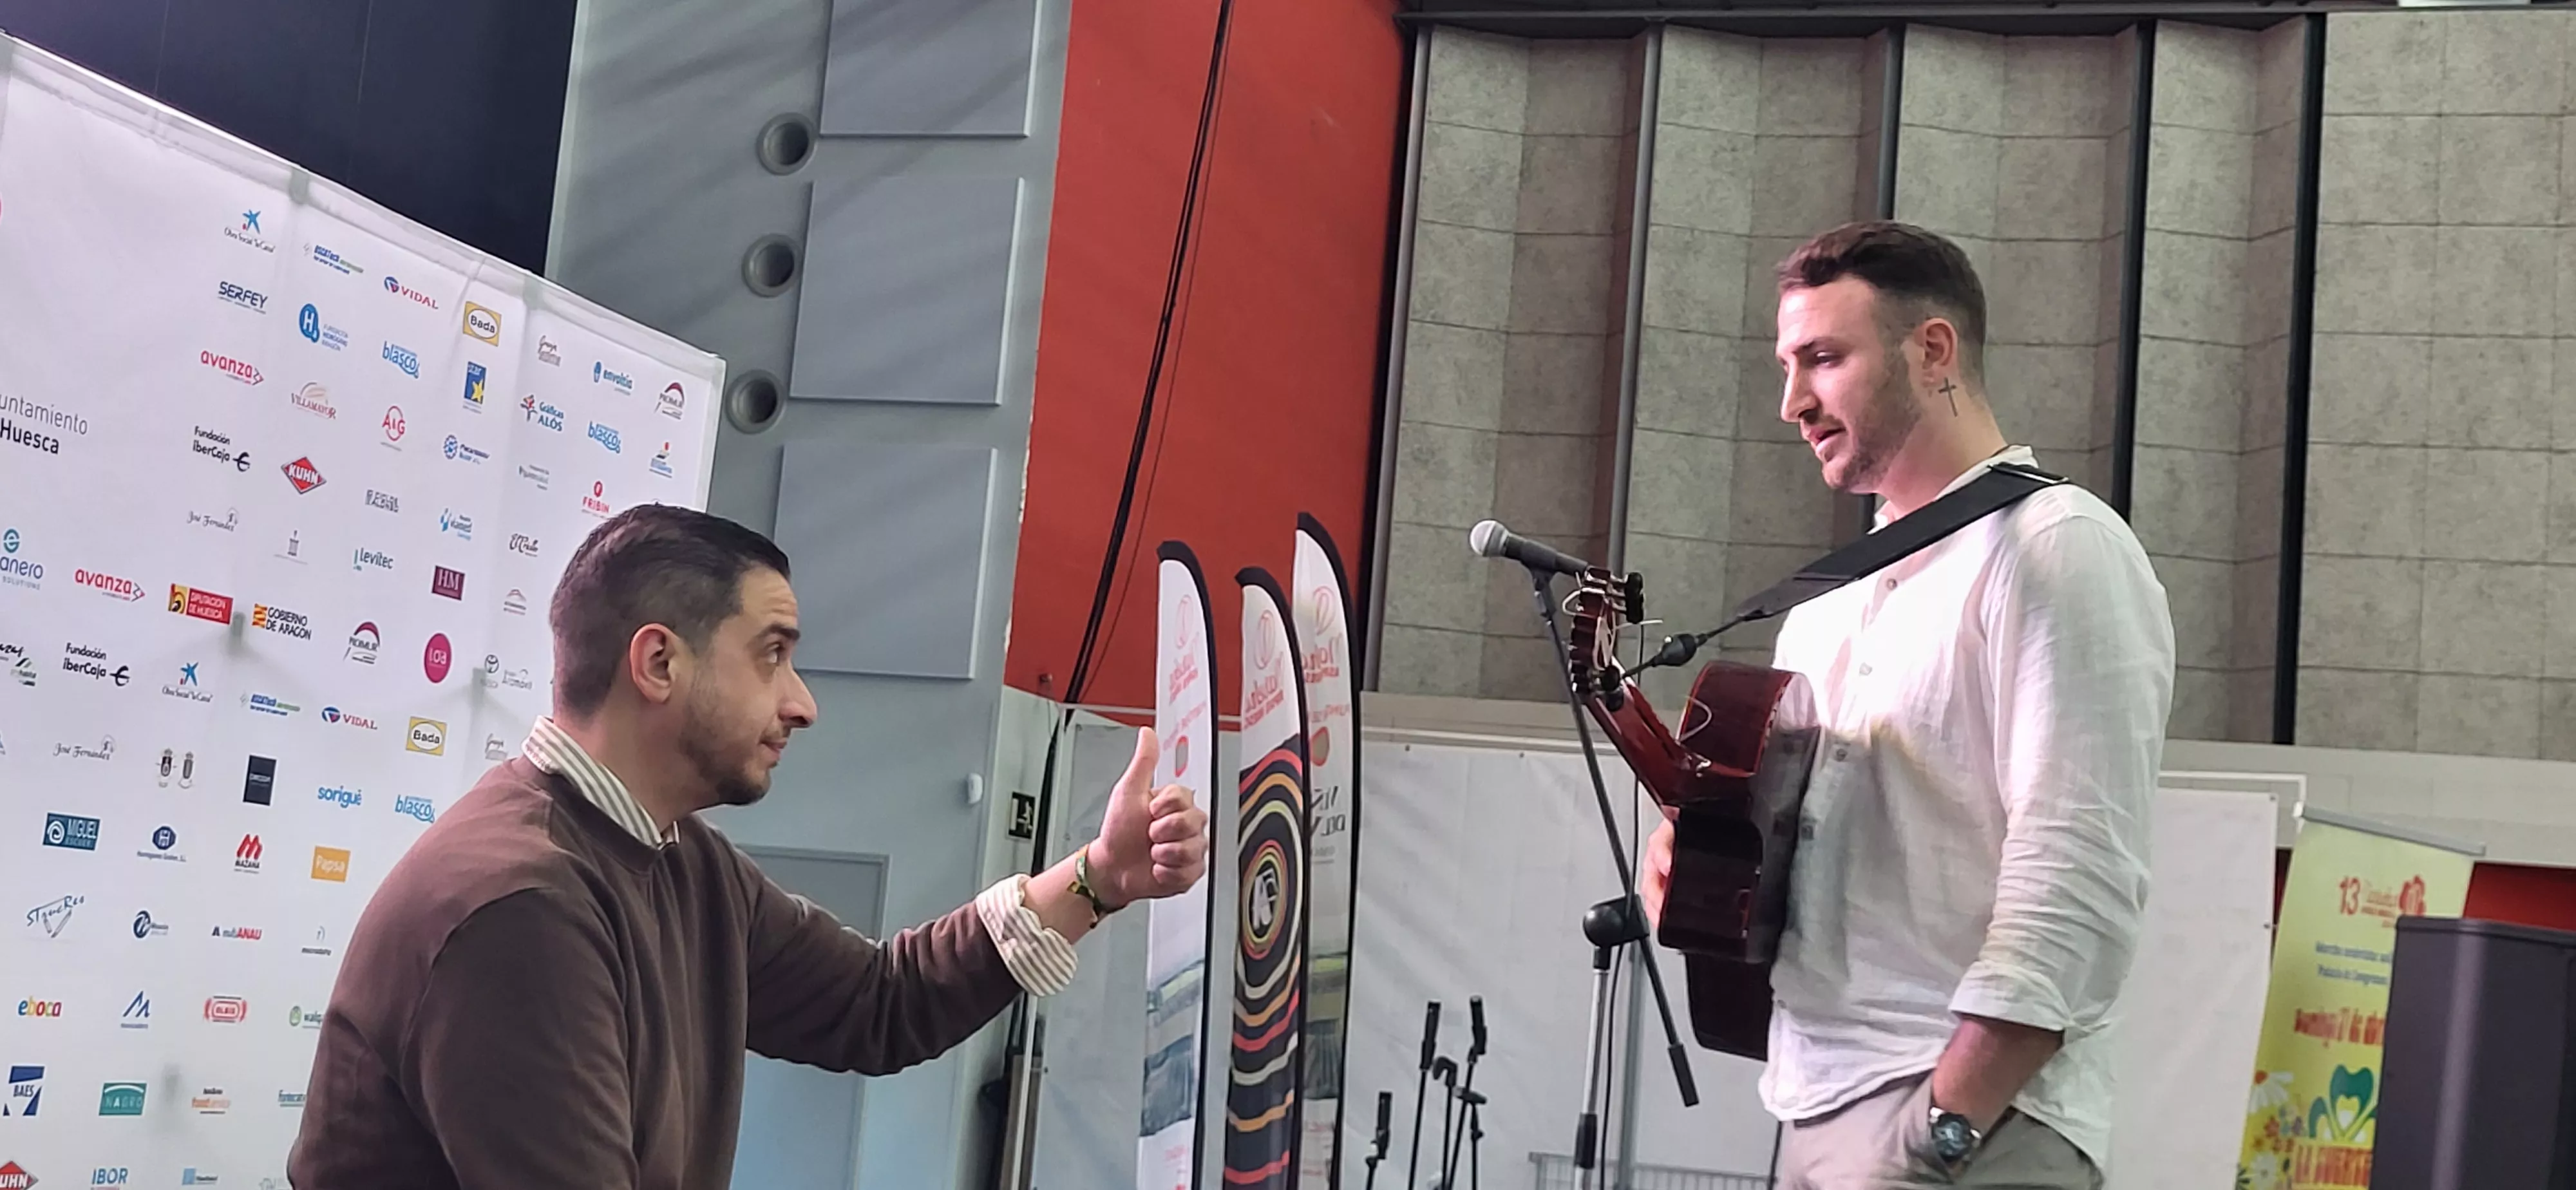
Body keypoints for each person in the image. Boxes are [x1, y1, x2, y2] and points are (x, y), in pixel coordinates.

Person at [289, 505, 1209, 1187]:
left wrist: (1099, 878)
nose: (802, 701)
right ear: (659, 663)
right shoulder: (518, 908)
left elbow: (877, 1003)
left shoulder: (676, 858)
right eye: (772, 653)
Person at [1641, 222, 2175, 1189]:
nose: (1791, 402)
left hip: (1970, 1126)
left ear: (1933, 352)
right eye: (1787, 364)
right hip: (1810, 1100)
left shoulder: (2056, 548)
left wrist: (1948, 1122)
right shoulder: (1829, 599)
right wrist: (1706, 856)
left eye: (1823, 359)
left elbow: (2078, 871)